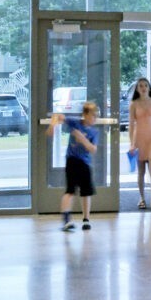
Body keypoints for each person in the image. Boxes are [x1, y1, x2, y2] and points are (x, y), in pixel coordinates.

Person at [52, 98, 102, 230]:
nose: (94, 118)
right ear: (85, 114)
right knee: (70, 190)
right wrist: (53, 126)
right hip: (72, 161)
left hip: (85, 163)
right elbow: (59, 116)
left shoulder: (94, 132)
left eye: (96, 116)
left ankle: (86, 219)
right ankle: (66, 219)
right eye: (92, 115)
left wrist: (83, 139)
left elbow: (93, 149)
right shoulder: (75, 123)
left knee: (86, 192)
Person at [127, 78, 151, 211]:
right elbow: (131, 125)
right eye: (140, 86)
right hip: (139, 138)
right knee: (141, 170)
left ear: (149, 88)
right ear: (137, 89)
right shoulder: (134, 104)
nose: (143, 88)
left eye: (145, 85)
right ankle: (142, 198)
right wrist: (132, 143)